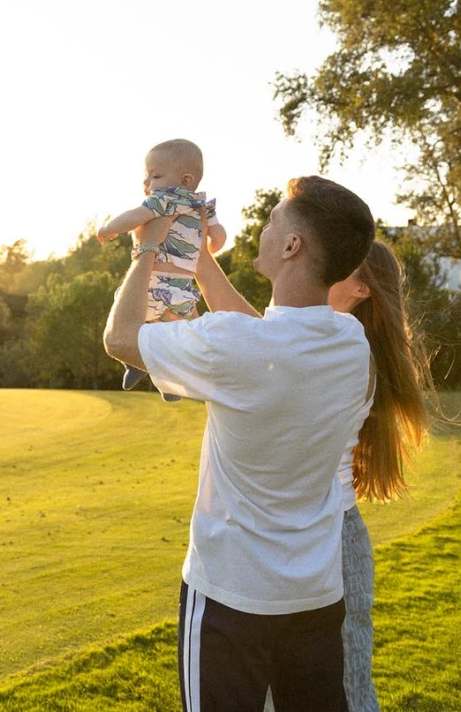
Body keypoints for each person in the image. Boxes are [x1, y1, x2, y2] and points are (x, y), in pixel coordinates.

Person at [104, 175, 376, 712]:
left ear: (292, 246)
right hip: (316, 598)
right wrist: (201, 261)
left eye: (275, 220)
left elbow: (119, 338)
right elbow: (265, 345)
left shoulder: (237, 346)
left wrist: (150, 248)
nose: (266, 227)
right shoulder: (352, 344)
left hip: (229, 598)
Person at [264, 240, 434, 712]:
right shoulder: (322, 336)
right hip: (312, 534)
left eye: (337, 264)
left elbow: (260, 351)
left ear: (360, 288)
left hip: (329, 539)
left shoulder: (343, 349)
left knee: (345, 688)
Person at [97, 139, 227, 399]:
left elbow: (136, 216)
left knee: (126, 308)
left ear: (185, 180)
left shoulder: (165, 199)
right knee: (184, 331)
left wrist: (109, 228)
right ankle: (172, 382)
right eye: (146, 175)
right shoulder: (203, 205)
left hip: (154, 283)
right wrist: (210, 248)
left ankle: (136, 365)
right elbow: (219, 234)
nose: (147, 183)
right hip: (184, 288)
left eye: (155, 175)